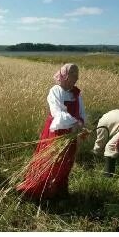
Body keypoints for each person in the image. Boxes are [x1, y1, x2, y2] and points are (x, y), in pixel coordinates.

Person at [17, 63, 86, 200]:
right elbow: (57, 112)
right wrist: (74, 123)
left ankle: (60, 191)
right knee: (52, 160)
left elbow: (81, 112)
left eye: (77, 74)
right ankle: (41, 191)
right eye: (73, 73)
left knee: (67, 161)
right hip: (57, 132)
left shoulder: (76, 94)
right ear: (65, 76)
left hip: (72, 132)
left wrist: (81, 123)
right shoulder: (56, 90)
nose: (76, 77)